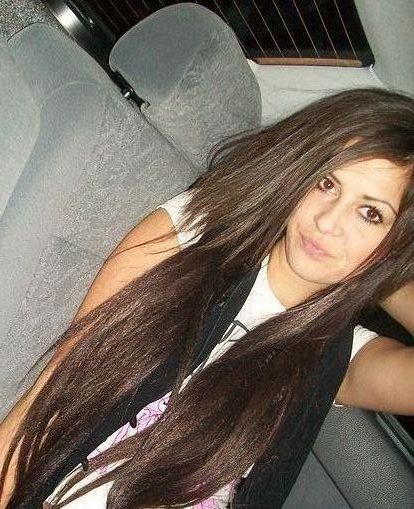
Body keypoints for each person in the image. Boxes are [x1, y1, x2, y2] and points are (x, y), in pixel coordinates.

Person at [1, 88, 414, 509]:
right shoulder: (194, 234)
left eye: (370, 214)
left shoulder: (335, 358)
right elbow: (52, 396)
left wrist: (383, 270)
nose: (327, 222)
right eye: (327, 183)